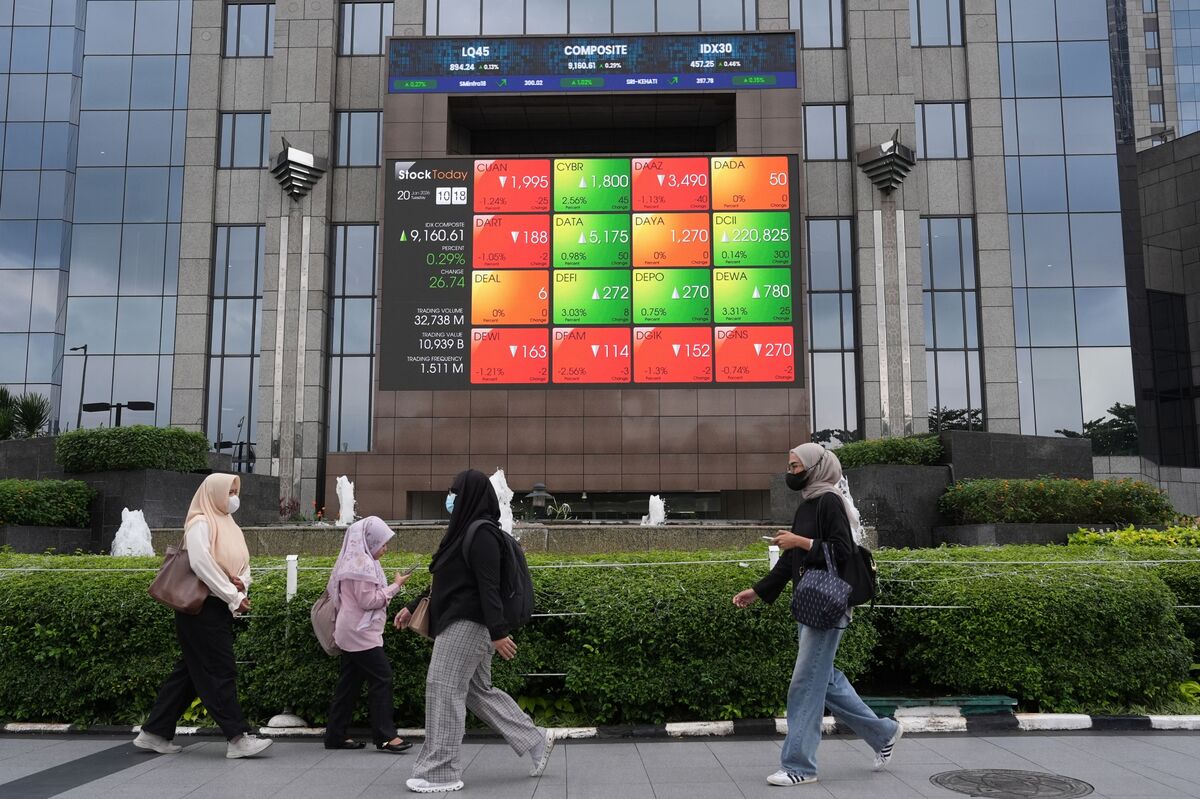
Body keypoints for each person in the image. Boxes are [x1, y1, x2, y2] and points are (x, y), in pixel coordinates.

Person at [733, 443, 901, 787]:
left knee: (806, 683)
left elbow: (842, 550)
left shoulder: (829, 502)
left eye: (796, 467)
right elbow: (790, 561)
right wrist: (759, 590)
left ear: (816, 467)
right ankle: (883, 733)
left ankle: (800, 765)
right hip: (810, 602)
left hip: (828, 605)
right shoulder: (808, 503)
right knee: (825, 680)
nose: (791, 472)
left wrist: (801, 542)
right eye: (789, 466)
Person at [394, 469, 554, 794]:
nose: (450, 498)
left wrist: (498, 632)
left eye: (455, 492)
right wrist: (412, 605)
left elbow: (488, 587)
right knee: (476, 691)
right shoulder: (462, 531)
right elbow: (445, 581)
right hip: (465, 622)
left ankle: (441, 771)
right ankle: (534, 739)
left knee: (443, 687)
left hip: (468, 623)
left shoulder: (482, 534)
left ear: (469, 496)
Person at [135, 473, 273, 759]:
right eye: (228, 492)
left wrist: (242, 584)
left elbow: (243, 563)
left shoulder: (229, 524)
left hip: (217, 605)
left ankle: (154, 732)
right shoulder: (200, 522)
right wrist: (233, 595)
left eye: (235, 491)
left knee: (189, 674)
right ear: (213, 493)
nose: (233, 498)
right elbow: (201, 564)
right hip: (200, 608)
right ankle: (237, 737)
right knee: (220, 670)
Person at [324, 515, 414, 753]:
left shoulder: (357, 560)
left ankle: (335, 735)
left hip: (351, 631)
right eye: (382, 543)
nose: (385, 548)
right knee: (382, 677)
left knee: (349, 684)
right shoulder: (362, 565)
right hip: (360, 634)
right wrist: (396, 586)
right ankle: (385, 736)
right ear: (369, 541)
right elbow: (369, 601)